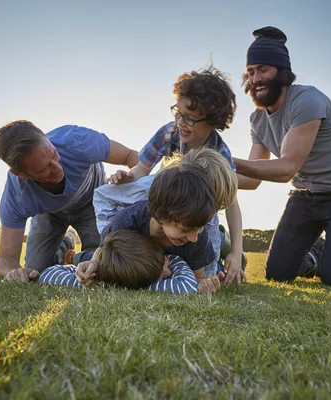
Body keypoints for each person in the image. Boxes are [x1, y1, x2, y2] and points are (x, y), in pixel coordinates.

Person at [234, 27, 331, 285]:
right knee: (277, 273)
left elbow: (287, 168)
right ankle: (315, 253)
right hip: (304, 197)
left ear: (282, 72)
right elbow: (252, 177)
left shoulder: (308, 100)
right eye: (251, 71)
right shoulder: (257, 120)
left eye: (263, 69)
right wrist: (209, 175)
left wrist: (226, 161)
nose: (255, 79)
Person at [106, 67, 246, 286]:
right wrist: (128, 176)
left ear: (213, 122)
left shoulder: (220, 153)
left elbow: (231, 205)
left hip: (203, 216)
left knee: (206, 268)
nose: (180, 122)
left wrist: (236, 254)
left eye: (189, 118)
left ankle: (222, 252)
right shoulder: (168, 133)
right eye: (177, 112)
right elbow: (142, 169)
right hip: (173, 207)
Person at [0, 120, 139, 282]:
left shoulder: (76, 140)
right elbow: (6, 258)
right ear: (21, 174)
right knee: (36, 270)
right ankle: (65, 243)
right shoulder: (17, 195)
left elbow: (131, 155)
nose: (57, 168)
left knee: (104, 262)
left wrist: (134, 179)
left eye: (55, 155)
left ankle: (72, 256)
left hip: (92, 203)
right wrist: (14, 271)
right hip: (50, 213)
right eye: (44, 168)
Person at [100, 161, 222, 293]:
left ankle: (224, 243)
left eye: (200, 228)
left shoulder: (198, 237)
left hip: (189, 261)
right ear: (161, 216)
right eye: (185, 230)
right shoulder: (126, 223)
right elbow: (103, 257)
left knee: (218, 264)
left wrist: (204, 287)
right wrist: (91, 267)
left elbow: (199, 277)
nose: (194, 238)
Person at [39, 229, 202, 294]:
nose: (169, 271)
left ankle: (71, 252)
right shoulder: (102, 280)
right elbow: (186, 285)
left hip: (98, 258)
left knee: (84, 259)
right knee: (81, 261)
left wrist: (168, 259)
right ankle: (68, 245)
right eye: (161, 276)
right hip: (101, 261)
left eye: (164, 261)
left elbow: (48, 274)